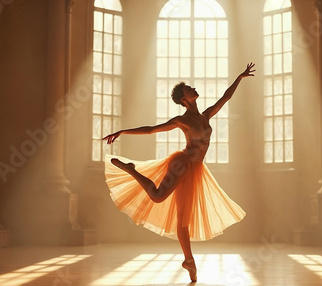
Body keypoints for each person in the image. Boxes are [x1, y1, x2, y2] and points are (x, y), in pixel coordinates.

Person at [102, 63, 255, 282]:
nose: (193, 89)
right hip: (182, 164)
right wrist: (122, 131)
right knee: (157, 196)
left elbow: (225, 98)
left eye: (191, 87)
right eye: (189, 89)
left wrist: (239, 78)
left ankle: (189, 260)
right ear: (184, 100)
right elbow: (151, 129)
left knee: (183, 220)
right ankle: (131, 169)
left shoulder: (205, 116)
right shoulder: (181, 121)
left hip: (196, 170)